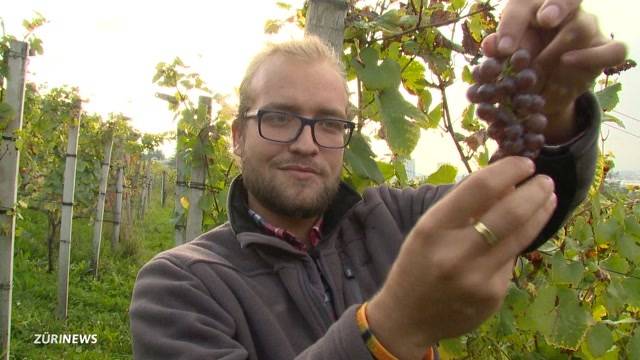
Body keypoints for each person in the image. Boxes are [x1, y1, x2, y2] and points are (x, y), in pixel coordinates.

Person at [129, 0, 627, 358]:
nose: (306, 142)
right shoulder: (180, 286)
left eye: (328, 123)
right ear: (237, 136)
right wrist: (389, 328)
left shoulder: (395, 217)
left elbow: (530, 203)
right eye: (279, 118)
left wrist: (554, 110)